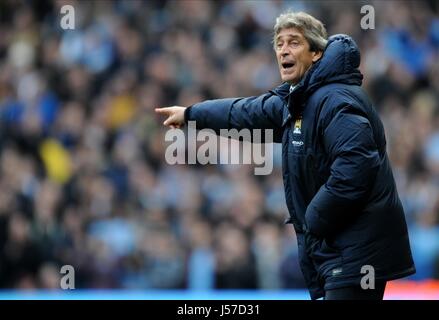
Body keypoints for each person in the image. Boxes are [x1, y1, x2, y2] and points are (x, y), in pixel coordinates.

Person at [155, 11, 416, 300]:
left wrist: (315, 218)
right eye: (279, 43)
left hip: (357, 254)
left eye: (294, 42)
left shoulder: (335, 100)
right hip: (339, 250)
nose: (283, 50)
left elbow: (356, 167)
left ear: (316, 52)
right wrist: (192, 114)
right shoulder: (298, 101)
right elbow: (246, 112)